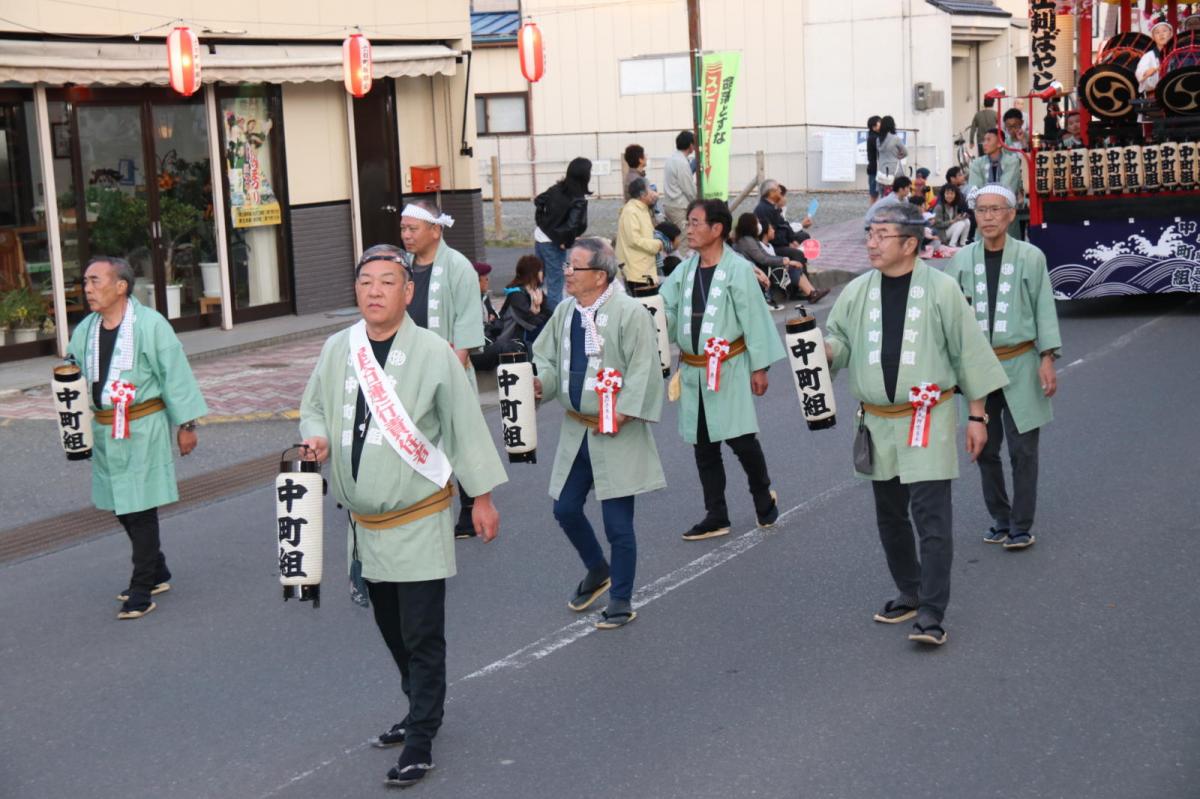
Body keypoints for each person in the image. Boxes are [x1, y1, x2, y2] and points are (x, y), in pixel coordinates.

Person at [298, 246, 506, 788]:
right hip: (365, 526)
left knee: (421, 633)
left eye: (387, 282)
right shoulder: (338, 348)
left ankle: (421, 738)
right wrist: (315, 436)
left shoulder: (434, 353)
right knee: (390, 628)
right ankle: (418, 707)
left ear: (407, 292)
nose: (373, 291)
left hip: (418, 518)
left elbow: (463, 426)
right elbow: (314, 405)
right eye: (366, 281)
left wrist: (480, 497)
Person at [823, 202, 1008, 647]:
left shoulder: (942, 290)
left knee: (931, 518)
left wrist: (977, 417)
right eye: (869, 233)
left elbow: (969, 354)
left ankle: (932, 612)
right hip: (878, 423)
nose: (870, 242)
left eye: (880, 234)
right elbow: (840, 341)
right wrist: (823, 351)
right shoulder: (856, 291)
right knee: (890, 516)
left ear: (910, 243)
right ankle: (910, 589)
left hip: (929, 416)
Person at [531, 238, 666, 629]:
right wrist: (541, 382)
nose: (566, 273)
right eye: (567, 266)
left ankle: (621, 598)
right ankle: (597, 568)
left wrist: (625, 409)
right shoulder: (566, 312)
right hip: (578, 428)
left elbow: (644, 365)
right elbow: (548, 359)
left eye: (575, 267)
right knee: (565, 508)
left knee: (618, 524)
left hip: (615, 430)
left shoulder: (629, 312)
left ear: (601, 276)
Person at [67, 255, 208, 621]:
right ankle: (157, 568)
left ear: (121, 286)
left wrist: (186, 425)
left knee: (140, 507)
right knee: (119, 503)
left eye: (95, 281)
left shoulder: (150, 324)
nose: (88, 289)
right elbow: (74, 374)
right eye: (85, 282)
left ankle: (142, 587)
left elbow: (174, 372)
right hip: (103, 428)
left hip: (141, 426)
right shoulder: (86, 329)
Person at [661, 199, 787, 541]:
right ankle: (716, 513)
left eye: (695, 222)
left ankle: (763, 498)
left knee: (741, 438)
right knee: (703, 444)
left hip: (728, 366)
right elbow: (664, 309)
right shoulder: (683, 271)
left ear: (717, 229)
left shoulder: (738, 269)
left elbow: (755, 319)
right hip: (694, 369)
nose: (688, 229)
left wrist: (759, 368)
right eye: (688, 222)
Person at [944, 185, 1061, 551]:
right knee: (986, 448)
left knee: (1023, 449)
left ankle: (1022, 524)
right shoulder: (961, 260)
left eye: (997, 210)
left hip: (1021, 359)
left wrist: (1047, 357)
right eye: (982, 210)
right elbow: (948, 316)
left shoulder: (1030, 257)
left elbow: (1044, 306)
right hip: (979, 366)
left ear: (1012, 214)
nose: (989, 217)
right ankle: (1000, 517)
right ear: (974, 215)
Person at [399, 203, 488, 540]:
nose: (406, 235)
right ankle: (419, 506)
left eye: (413, 229)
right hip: (409, 366)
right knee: (415, 436)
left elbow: (467, 319)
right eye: (404, 229)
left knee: (458, 438)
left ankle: (470, 506)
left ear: (435, 230)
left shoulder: (457, 266)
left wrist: (456, 364)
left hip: (447, 365)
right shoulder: (403, 266)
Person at [534, 157, 591, 307]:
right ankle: (556, 325)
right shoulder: (577, 198)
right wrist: (565, 242)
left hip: (540, 238)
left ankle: (537, 319)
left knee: (537, 282)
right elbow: (572, 226)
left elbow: (539, 200)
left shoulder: (557, 188)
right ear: (584, 176)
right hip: (554, 246)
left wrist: (542, 222)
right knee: (555, 286)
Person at [968, 130, 1024, 238]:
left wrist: (985, 194)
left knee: (1009, 247)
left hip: (1004, 211)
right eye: (984, 140)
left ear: (1000, 143)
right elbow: (974, 189)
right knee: (983, 247)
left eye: (988, 140)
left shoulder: (1012, 162)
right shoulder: (977, 163)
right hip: (984, 211)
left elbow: (1006, 189)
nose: (984, 143)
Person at [615, 176, 663, 290]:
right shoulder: (631, 211)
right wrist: (657, 244)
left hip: (644, 267)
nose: (653, 193)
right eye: (650, 190)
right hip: (637, 271)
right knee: (644, 303)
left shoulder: (641, 207)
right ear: (643, 194)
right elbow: (634, 240)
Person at [662, 131, 698, 248]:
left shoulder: (671, 159)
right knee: (684, 241)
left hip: (669, 205)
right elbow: (688, 188)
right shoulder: (681, 162)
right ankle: (681, 265)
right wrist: (697, 202)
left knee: (674, 240)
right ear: (690, 145)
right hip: (679, 207)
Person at [875, 116, 908, 191]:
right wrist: (898, 157)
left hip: (882, 170)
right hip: (894, 170)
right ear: (892, 125)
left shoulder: (878, 139)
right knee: (896, 193)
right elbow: (905, 152)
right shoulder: (895, 138)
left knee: (883, 193)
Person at [475, 261, 499, 328]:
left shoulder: (484, 297)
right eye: (485, 278)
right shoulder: (469, 301)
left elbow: (496, 316)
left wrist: (493, 319)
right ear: (477, 280)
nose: (487, 280)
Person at [866, 115, 883, 205]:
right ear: (874, 127)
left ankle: (873, 213)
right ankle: (871, 214)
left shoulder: (874, 136)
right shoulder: (874, 138)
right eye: (879, 122)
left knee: (876, 194)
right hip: (875, 169)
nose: (881, 124)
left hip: (875, 169)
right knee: (874, 194)